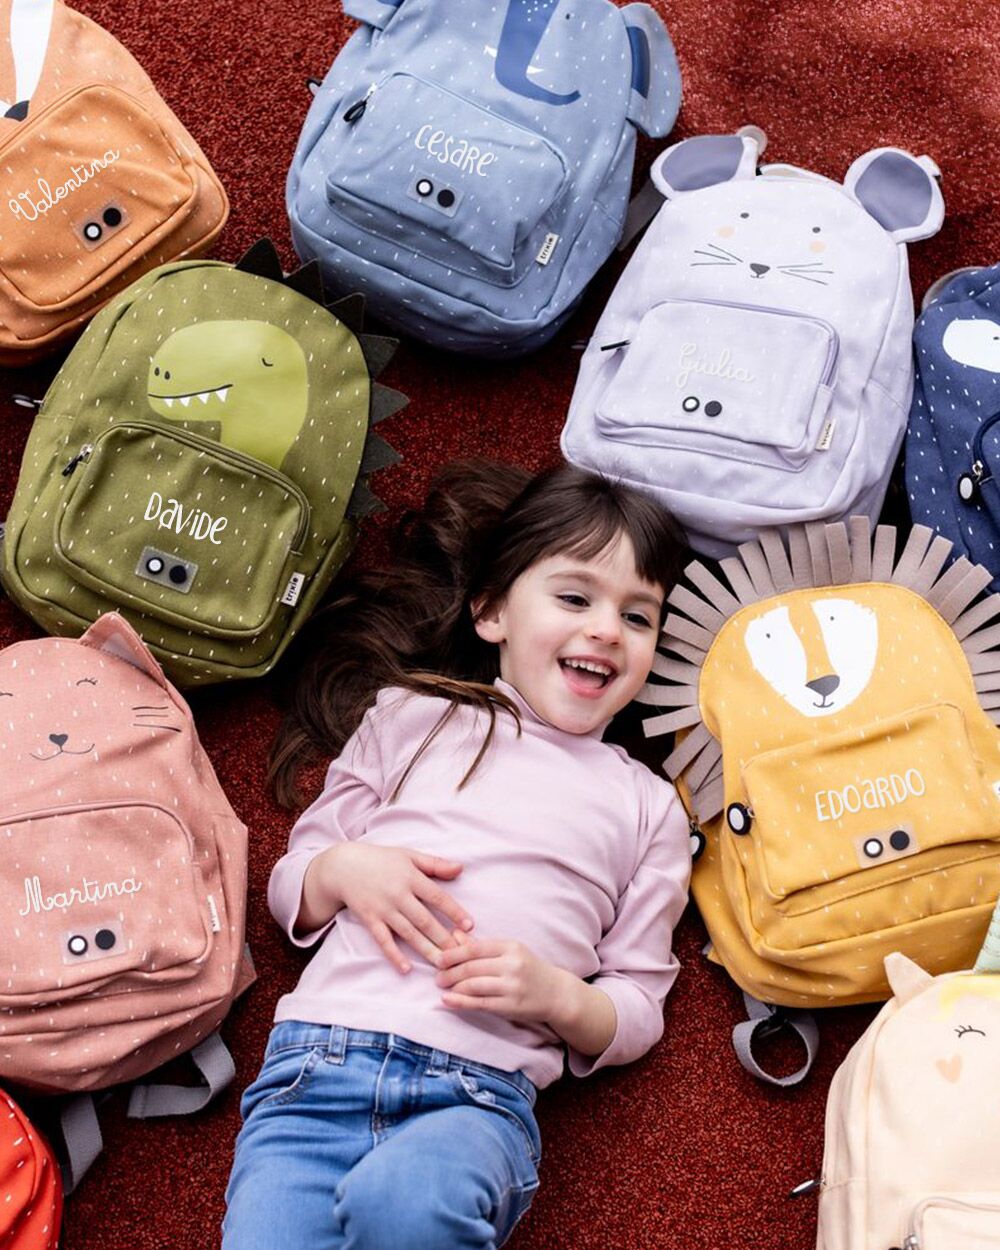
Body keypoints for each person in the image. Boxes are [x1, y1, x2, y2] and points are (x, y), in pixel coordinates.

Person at [222, 460, 692, 1250]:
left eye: (639, 616)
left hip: (474, 1101)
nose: (608, 630)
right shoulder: (410, 718)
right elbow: (290, 882)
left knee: (404, 1203)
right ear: (491, 610)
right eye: (575, 599)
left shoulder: (649, 807)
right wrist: (345, 871)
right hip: (312, 1080)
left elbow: (639, 1004)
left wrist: (557, 997)